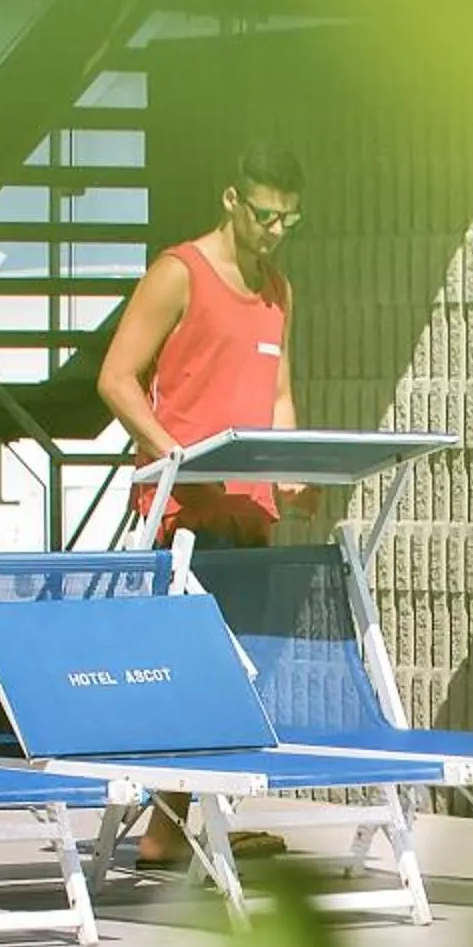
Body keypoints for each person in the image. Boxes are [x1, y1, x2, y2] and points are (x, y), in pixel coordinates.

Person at [97, 142, 309, 867]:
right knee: (188, 672)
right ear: (231, 199)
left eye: (288, 219)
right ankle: (165, 831)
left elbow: (277, 394)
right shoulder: (178, 273)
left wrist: (294, 469)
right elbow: (118, 379)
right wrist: (171, 457)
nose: (275, 230)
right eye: (264, 216)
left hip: (250, 508)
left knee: (240, 671)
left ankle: (184, 826)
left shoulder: (278, 290)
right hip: (186, 512)